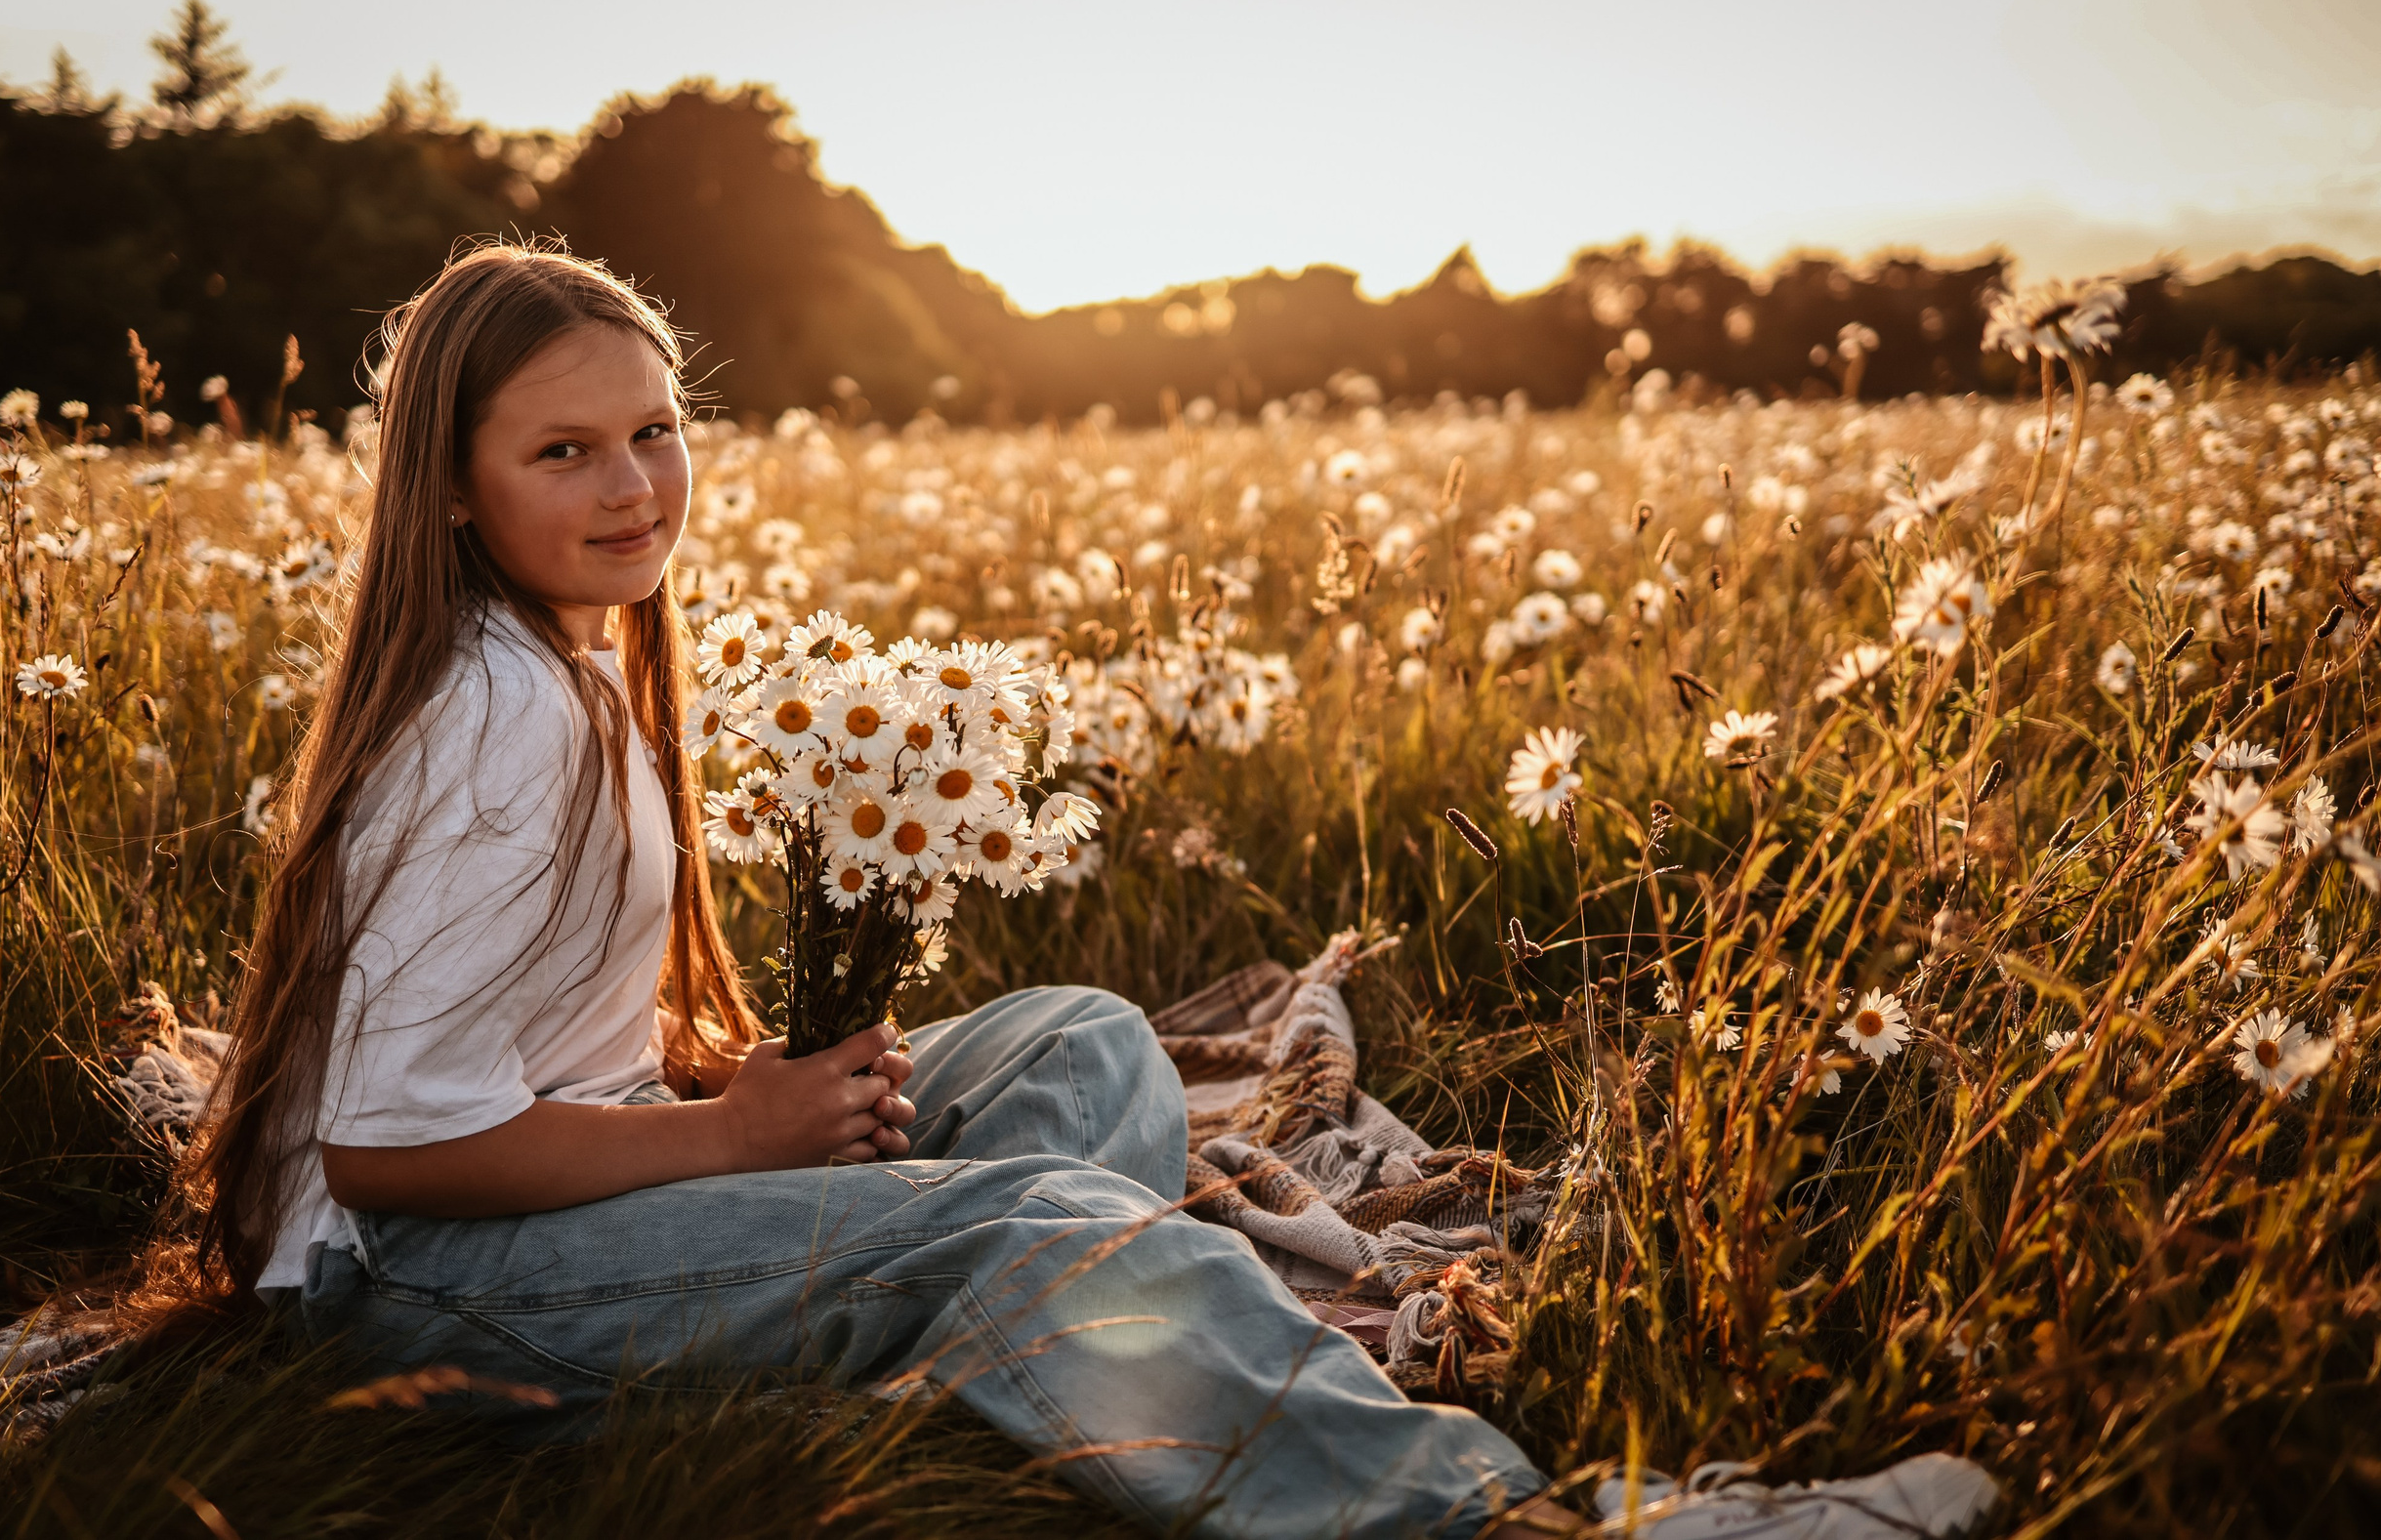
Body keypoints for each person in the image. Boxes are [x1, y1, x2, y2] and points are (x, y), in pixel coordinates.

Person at [182, 241, 1991, 1540]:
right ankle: (1509, 1524)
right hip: (420, 1286)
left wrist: (732, 1104)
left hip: (561, 1189)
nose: (635, 482)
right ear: (452, 489)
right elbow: (386, 1157)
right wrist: (735, 1143)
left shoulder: (564, 661)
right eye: (562, 450)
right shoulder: (490, 718)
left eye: (653, 429)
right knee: (1022, 1215)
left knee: (1085, 1049)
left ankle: (1006, 1385)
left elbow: (534, 1036)